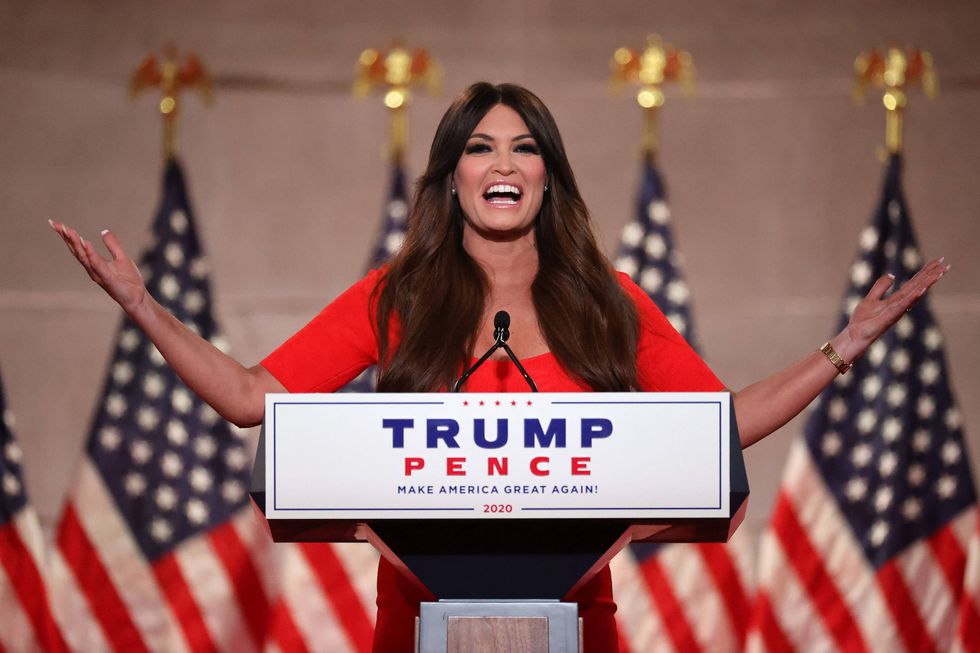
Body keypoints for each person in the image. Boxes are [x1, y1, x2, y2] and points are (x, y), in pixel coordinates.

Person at [51, 81, 949, 652]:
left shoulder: (607, 299)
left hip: (576, 624)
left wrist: (842, 350)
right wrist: (143, 308)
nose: (503, 162)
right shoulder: (395, 295)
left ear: (549, 177)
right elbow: (253, 400)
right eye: (480, 147)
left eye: (523, 147)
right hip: (417, 627)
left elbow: (716, 427)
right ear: (453, 178)